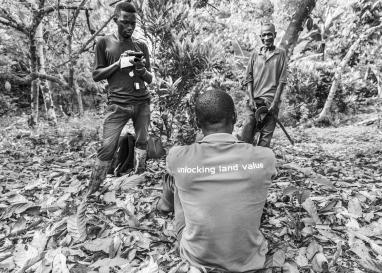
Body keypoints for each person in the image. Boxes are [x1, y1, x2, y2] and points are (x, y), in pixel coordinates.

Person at [157, 89, 278, 272]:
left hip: (197, 257)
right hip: (250, 258)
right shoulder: (265, 157)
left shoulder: (178, 156)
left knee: (178, 179)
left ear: (197, 122)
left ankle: (164, 205)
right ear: (235, 117)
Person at [88, 2, 153, 194]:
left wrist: (142, 71)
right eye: (125, 22)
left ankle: (138, 179)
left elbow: (150, 78)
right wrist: (119, 63)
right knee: (107, 147)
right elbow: (96, 75)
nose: (130, 27)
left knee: (142, 141)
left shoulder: (141, 45)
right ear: (115, 20)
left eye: (133, 23)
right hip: (117, 104)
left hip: (142, 102)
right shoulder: (104, 43)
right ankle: (94, 188)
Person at [240, 23, 288, 147]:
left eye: (269, 34)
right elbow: (248, 78)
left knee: (265, 138)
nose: (267, 38)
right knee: (246, 135)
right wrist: (250, 99)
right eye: (264, 35)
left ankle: (260, 163)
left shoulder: (281, 54)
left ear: (275, 35)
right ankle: (242, 161)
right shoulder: (255, 55)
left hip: (271, 102)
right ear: (260, 37)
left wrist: (275, 102)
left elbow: (282, 81)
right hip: (254, 101)